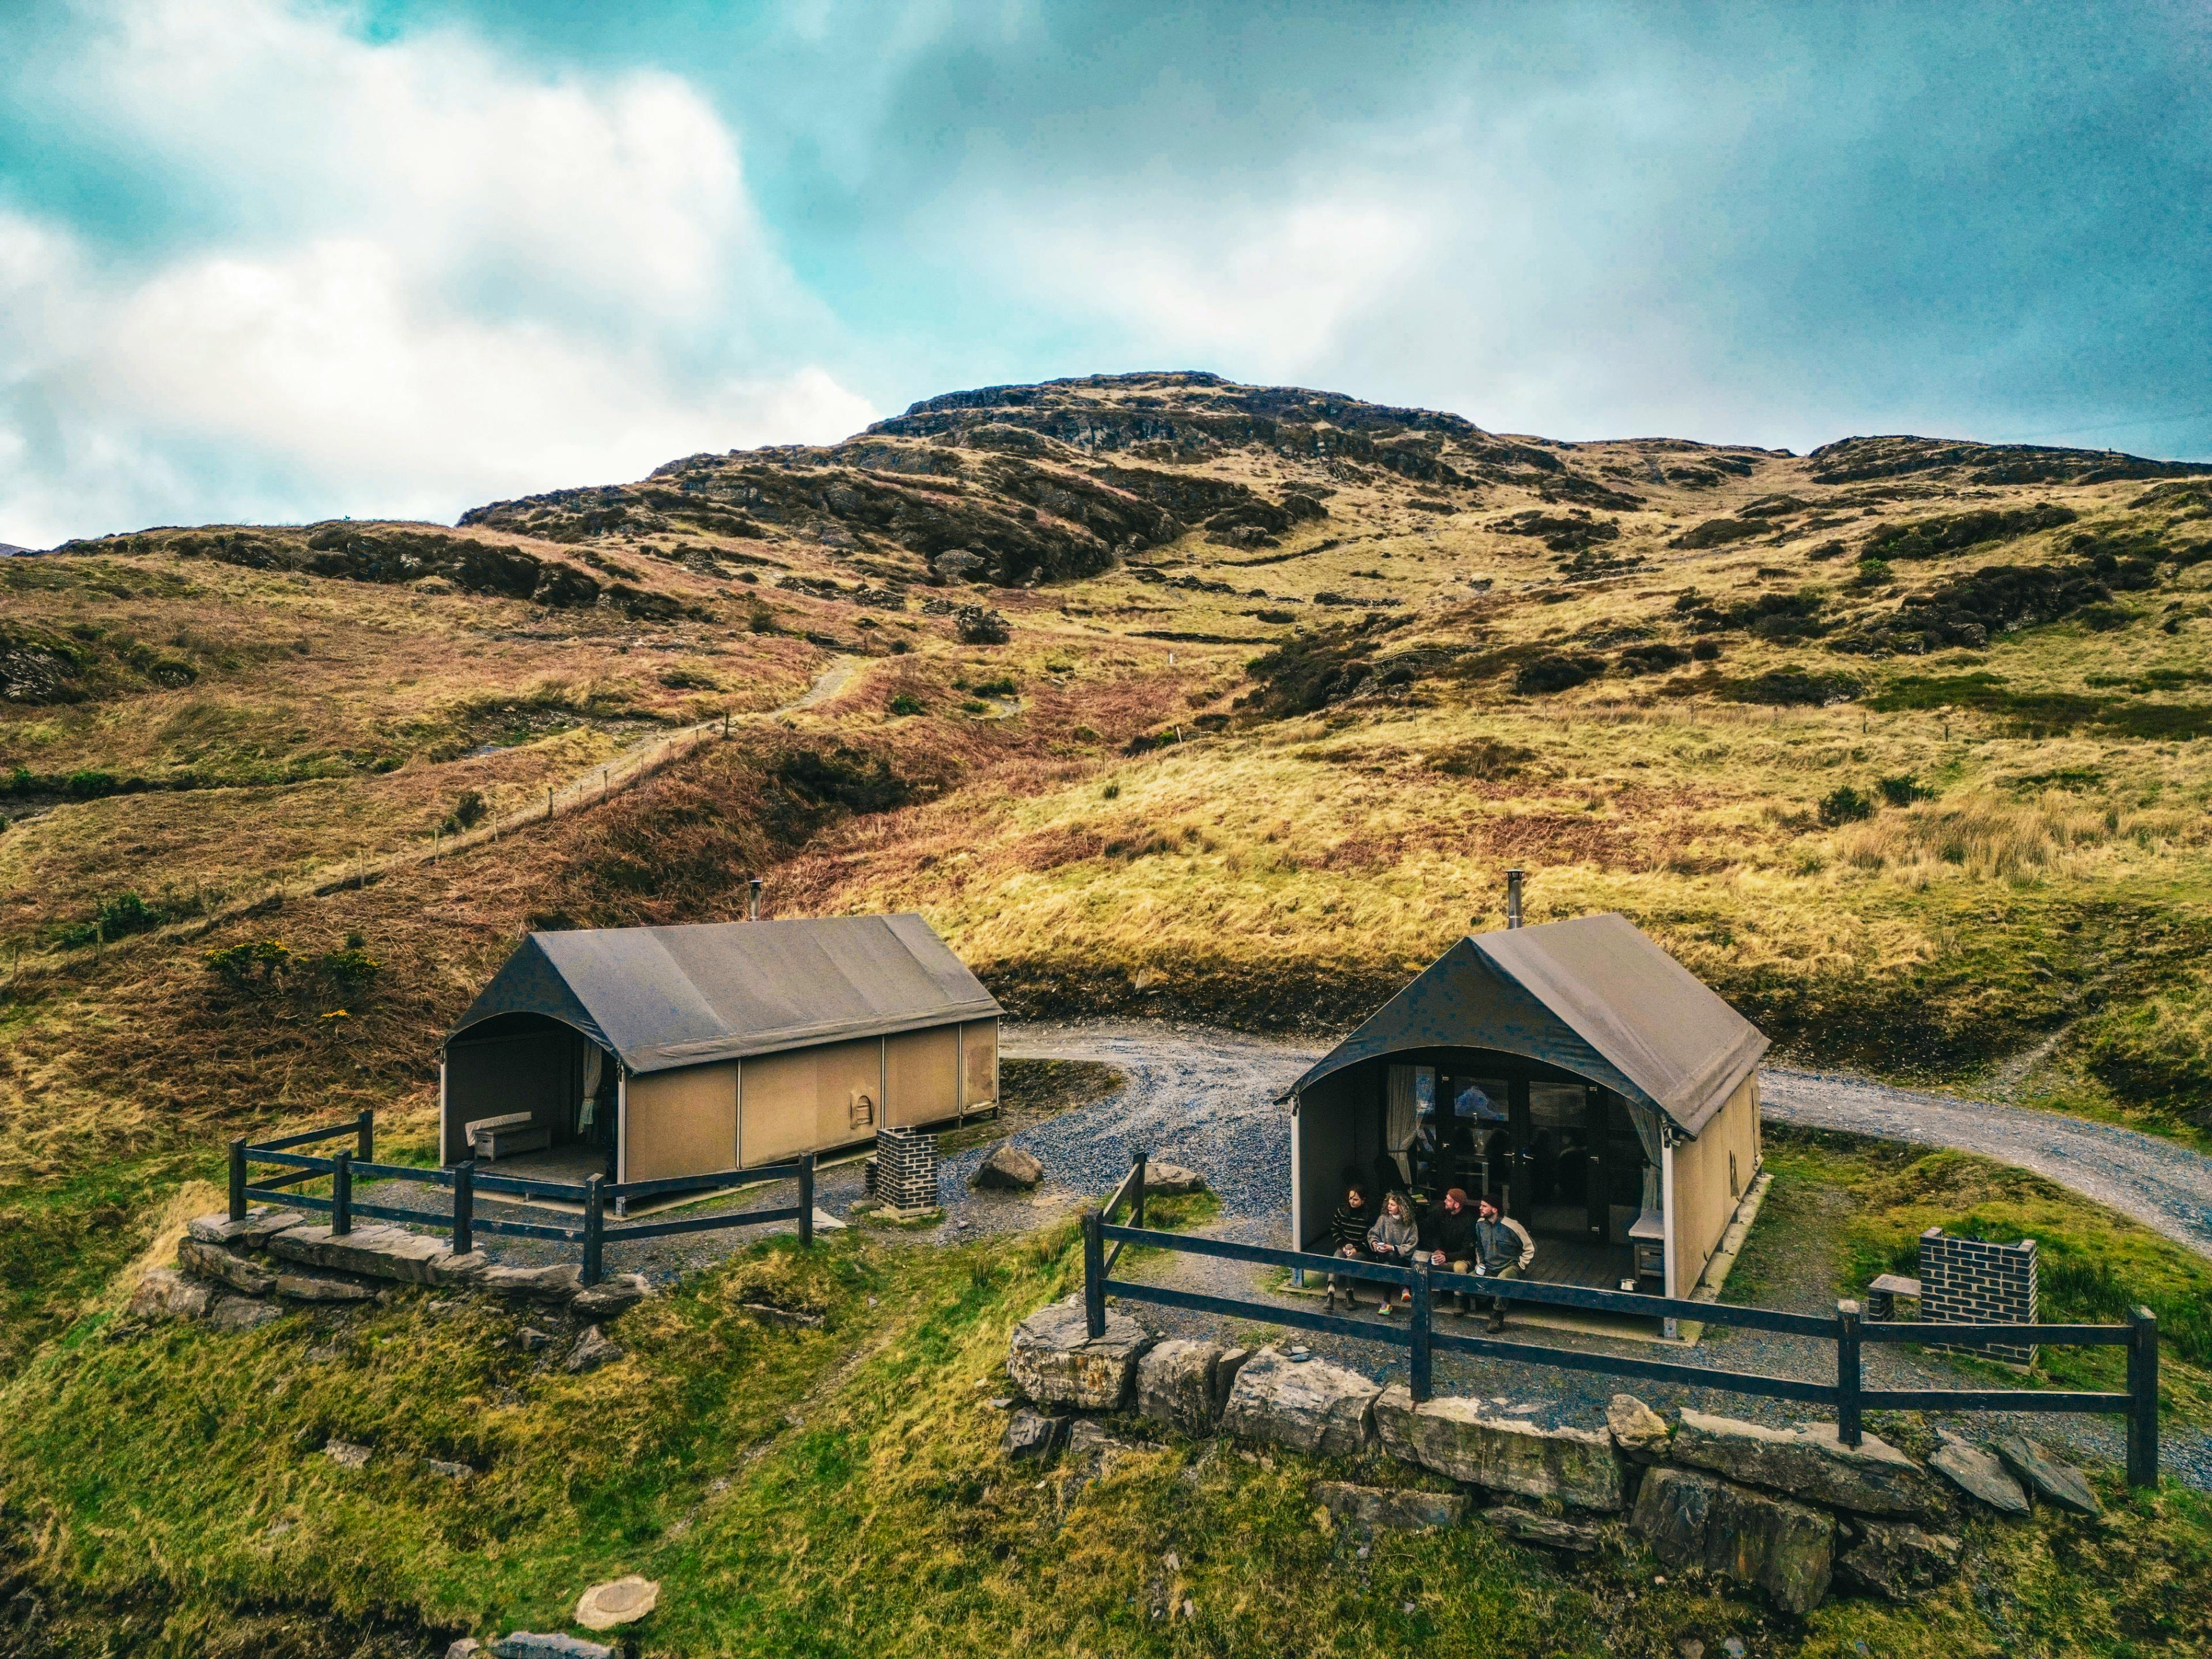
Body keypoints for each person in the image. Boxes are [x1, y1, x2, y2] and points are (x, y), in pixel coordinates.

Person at [1471, 1195, 1535, 1332]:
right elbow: (1479, 1246)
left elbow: (1531, 1248)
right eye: (1481, 1205)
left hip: (1510, 1266)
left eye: (1484, 1206)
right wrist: (1480, 1263)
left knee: (1503, 1280)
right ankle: (1482, 1299)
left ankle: (1498, 1316)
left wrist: (1520, 1265)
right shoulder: (1480, 1224)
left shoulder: (1512, 1226)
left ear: (1494, 1209)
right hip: (1489, 1266)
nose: (1480, 1208)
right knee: (1468, 1280)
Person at [1425, 1186, 1479, 1313]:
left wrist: (1447, 1257)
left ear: (1457, 1204)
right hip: (1443, 1254)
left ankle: (1459, 1301)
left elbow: (1468, 1251)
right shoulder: (1441, 1213)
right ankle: (1436, 1297)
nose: (1445, 1201)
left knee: (1459, 1268)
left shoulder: (1469, 1221)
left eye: (1448, 1200)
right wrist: (1437, 1249)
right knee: (1432, 1262)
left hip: (1462, 1258)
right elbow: (1431, 1232)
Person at [1366, 1189, 1422, 1313]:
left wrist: (1393, 1248)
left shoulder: (1410, 1223)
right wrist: (1374, 1243)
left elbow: (1412, 1245)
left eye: (1392, 1205)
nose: (1389, 1207)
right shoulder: (1383, 1219)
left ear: (1401, 1207)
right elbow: (1373, 1234)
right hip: (1382, 1255)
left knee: (1390, 1265)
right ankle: (1404, 1288)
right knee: (1390, 1257)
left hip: (1402, 1258)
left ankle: (1386, 1302)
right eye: (1388, 1204)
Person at [1325, 1178, 1374, 1310]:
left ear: (1363, 1200)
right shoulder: (1342, 1210)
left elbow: (1372, 1236)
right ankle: (1331, 1294)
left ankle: (1349, 1293)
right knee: (1337, 1257)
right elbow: (1335, 1229)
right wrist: (1342, 1245)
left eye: (1356, 1199)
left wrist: (1357, 1249)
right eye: (1350, 1198)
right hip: (1344, 1245)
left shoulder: (1369, 1215)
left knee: (1351, 1261)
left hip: (1361, 1250)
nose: (1352, 1202)